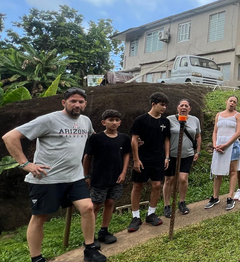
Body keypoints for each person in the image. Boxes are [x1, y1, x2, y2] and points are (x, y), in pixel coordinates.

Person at [2, 87, 106, 262]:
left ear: (85, 104)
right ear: (64, 102)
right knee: (39, 218)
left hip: (75, 177)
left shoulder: (85, 121)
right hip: (46, 179)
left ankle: (90, 249)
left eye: (81, 102)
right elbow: (10, 137)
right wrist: (25, 164)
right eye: (73, 101)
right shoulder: (49, 120)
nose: (77, 104)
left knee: (88, 208)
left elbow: (93, 136)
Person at [82, 109, 131, 246]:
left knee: (110, 203)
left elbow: (127, 154)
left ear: (120, 122)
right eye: (111, 120)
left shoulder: (123, 138)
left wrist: (123, 172)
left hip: (116, 177)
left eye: (116, 120)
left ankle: (104, 230)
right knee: (96, 205)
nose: (114, 122)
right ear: (104, 122)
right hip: (99, 177)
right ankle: (89, 235)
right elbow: (87, 157)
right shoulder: (96, 138)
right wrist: (86, 175)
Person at [128, 92, 170, 232]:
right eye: (161, 105)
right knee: (137, 186)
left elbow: (166, 140)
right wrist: (135, 159)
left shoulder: (165, 122)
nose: (164, 108)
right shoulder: (141, 120)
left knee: (157, 185)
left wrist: (167, 157)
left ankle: (151, 213)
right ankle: (135, 216)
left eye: (165, 105)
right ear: (153, 104)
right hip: (142, 158)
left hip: (158, 158)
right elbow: (134, 139)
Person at [163, 99, 201, 218]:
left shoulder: (195, 120)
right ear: (177, 108)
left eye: (186, 106)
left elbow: (198, 136)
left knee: (183, 178)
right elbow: (166, 138)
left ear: (190, 108)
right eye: (181, 105)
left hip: (187, 154)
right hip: (172, 155)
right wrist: (167, 156)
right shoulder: (169, 119)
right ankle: (167, 205)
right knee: (169, 179)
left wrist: (198, 151)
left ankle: (182, 202)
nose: (184, 107)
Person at [206, 95, 240, 211]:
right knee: (217, 172)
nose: (232, 103)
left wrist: (226, 144)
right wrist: (214, 144)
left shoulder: (238, 116)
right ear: (226, 101)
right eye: (231, 101)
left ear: (236, 105)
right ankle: (215, 196)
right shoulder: (219, 115)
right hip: (219, 146)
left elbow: (238, 133)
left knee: (233, 171)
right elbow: (215, 131)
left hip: (232, 146)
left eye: (234, 102)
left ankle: (230, 197)